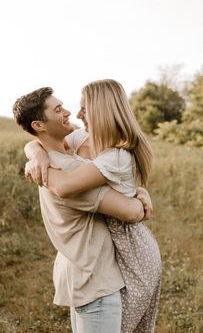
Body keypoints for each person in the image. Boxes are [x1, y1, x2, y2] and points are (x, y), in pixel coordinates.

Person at [25, 80, 161, 333]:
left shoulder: (114, 156)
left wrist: (137, 197)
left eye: (84, 109)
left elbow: (131, 212)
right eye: (63, 109)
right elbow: (41, 142)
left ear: (101, 111)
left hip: (132, 250)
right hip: (112, 251)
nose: (75, 115)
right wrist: (35, 151)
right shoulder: (84, 139)